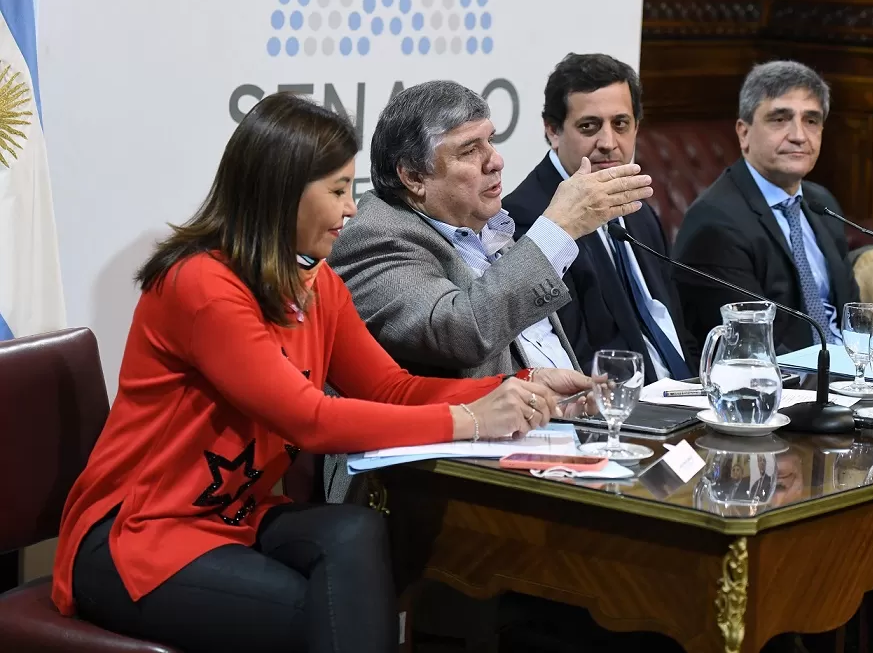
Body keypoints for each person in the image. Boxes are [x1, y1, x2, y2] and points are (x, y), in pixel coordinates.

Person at [50, 93, 592, 653]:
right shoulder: (203, 286)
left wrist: (513, 387)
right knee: (333, 612)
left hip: (235, 516)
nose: (352, 209)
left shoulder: (317, 282)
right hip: (139, 533)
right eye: (337, 191)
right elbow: (310, 420)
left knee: (355, 529)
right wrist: (470, 421)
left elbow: (391, 389)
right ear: (282, 191)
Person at [325, 78, 647, 502]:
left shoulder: (486, 225)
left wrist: (548, 396)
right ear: (413, 176)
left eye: (490, 141)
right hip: (420, 482)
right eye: (469, 150)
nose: (495, 161)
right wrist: (559, 229)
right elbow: (460, 330)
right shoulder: (376, 237)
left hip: (543, 442)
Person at [503, 53, 698, 381]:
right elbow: (573, 354)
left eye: (621, 124)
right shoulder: (529, 221)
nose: (608, 143)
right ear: (553, 130)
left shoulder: (637, 207)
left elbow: (676, 325)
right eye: (589, 126)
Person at [673, 60, 858, 354]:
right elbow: (749, 344)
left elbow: (852, 314)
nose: (799, 136)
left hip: (847, 368)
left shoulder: (821, 203)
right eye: (780, 119)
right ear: (743, 133)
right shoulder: (716, 222)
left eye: (811, 121)